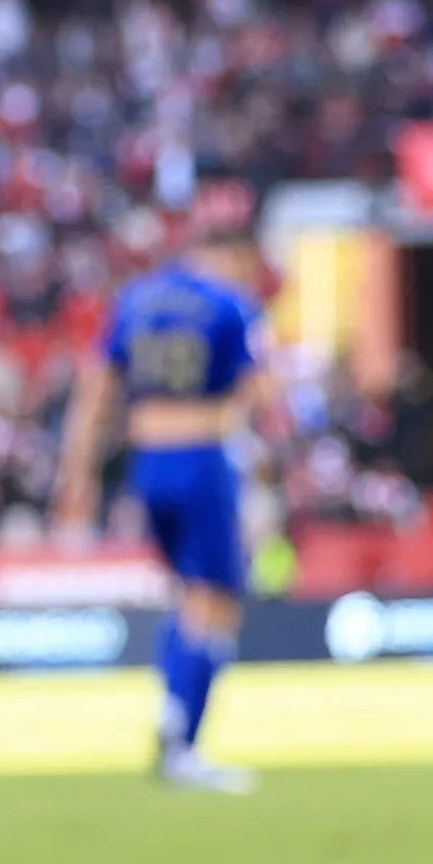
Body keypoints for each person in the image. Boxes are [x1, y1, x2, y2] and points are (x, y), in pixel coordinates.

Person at [59, 188, 278, 793]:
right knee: (218, 599)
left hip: (147, 460)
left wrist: (77, 472)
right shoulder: (231, 307)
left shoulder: (136, 299)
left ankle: (171, 714)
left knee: (187, 596)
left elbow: (97, 388)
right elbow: (262, 392)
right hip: (203, 454)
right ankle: (182, 734)